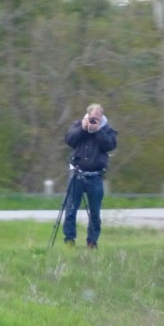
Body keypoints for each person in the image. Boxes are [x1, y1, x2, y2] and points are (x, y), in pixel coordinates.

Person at [63, 103, 117, 248]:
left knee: (95, 213)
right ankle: (69, 240)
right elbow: (69, 140)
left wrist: (98, 131)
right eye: (92, 118)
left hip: (96, 176)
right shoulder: (78, 124)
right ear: (88, 115)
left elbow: (110, 145)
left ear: (102, 117)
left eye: (97, 118)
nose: (94, 121)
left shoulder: (107, 129)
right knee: (71, 209)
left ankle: (92, 242)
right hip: (77, 174)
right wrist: (83, 128)